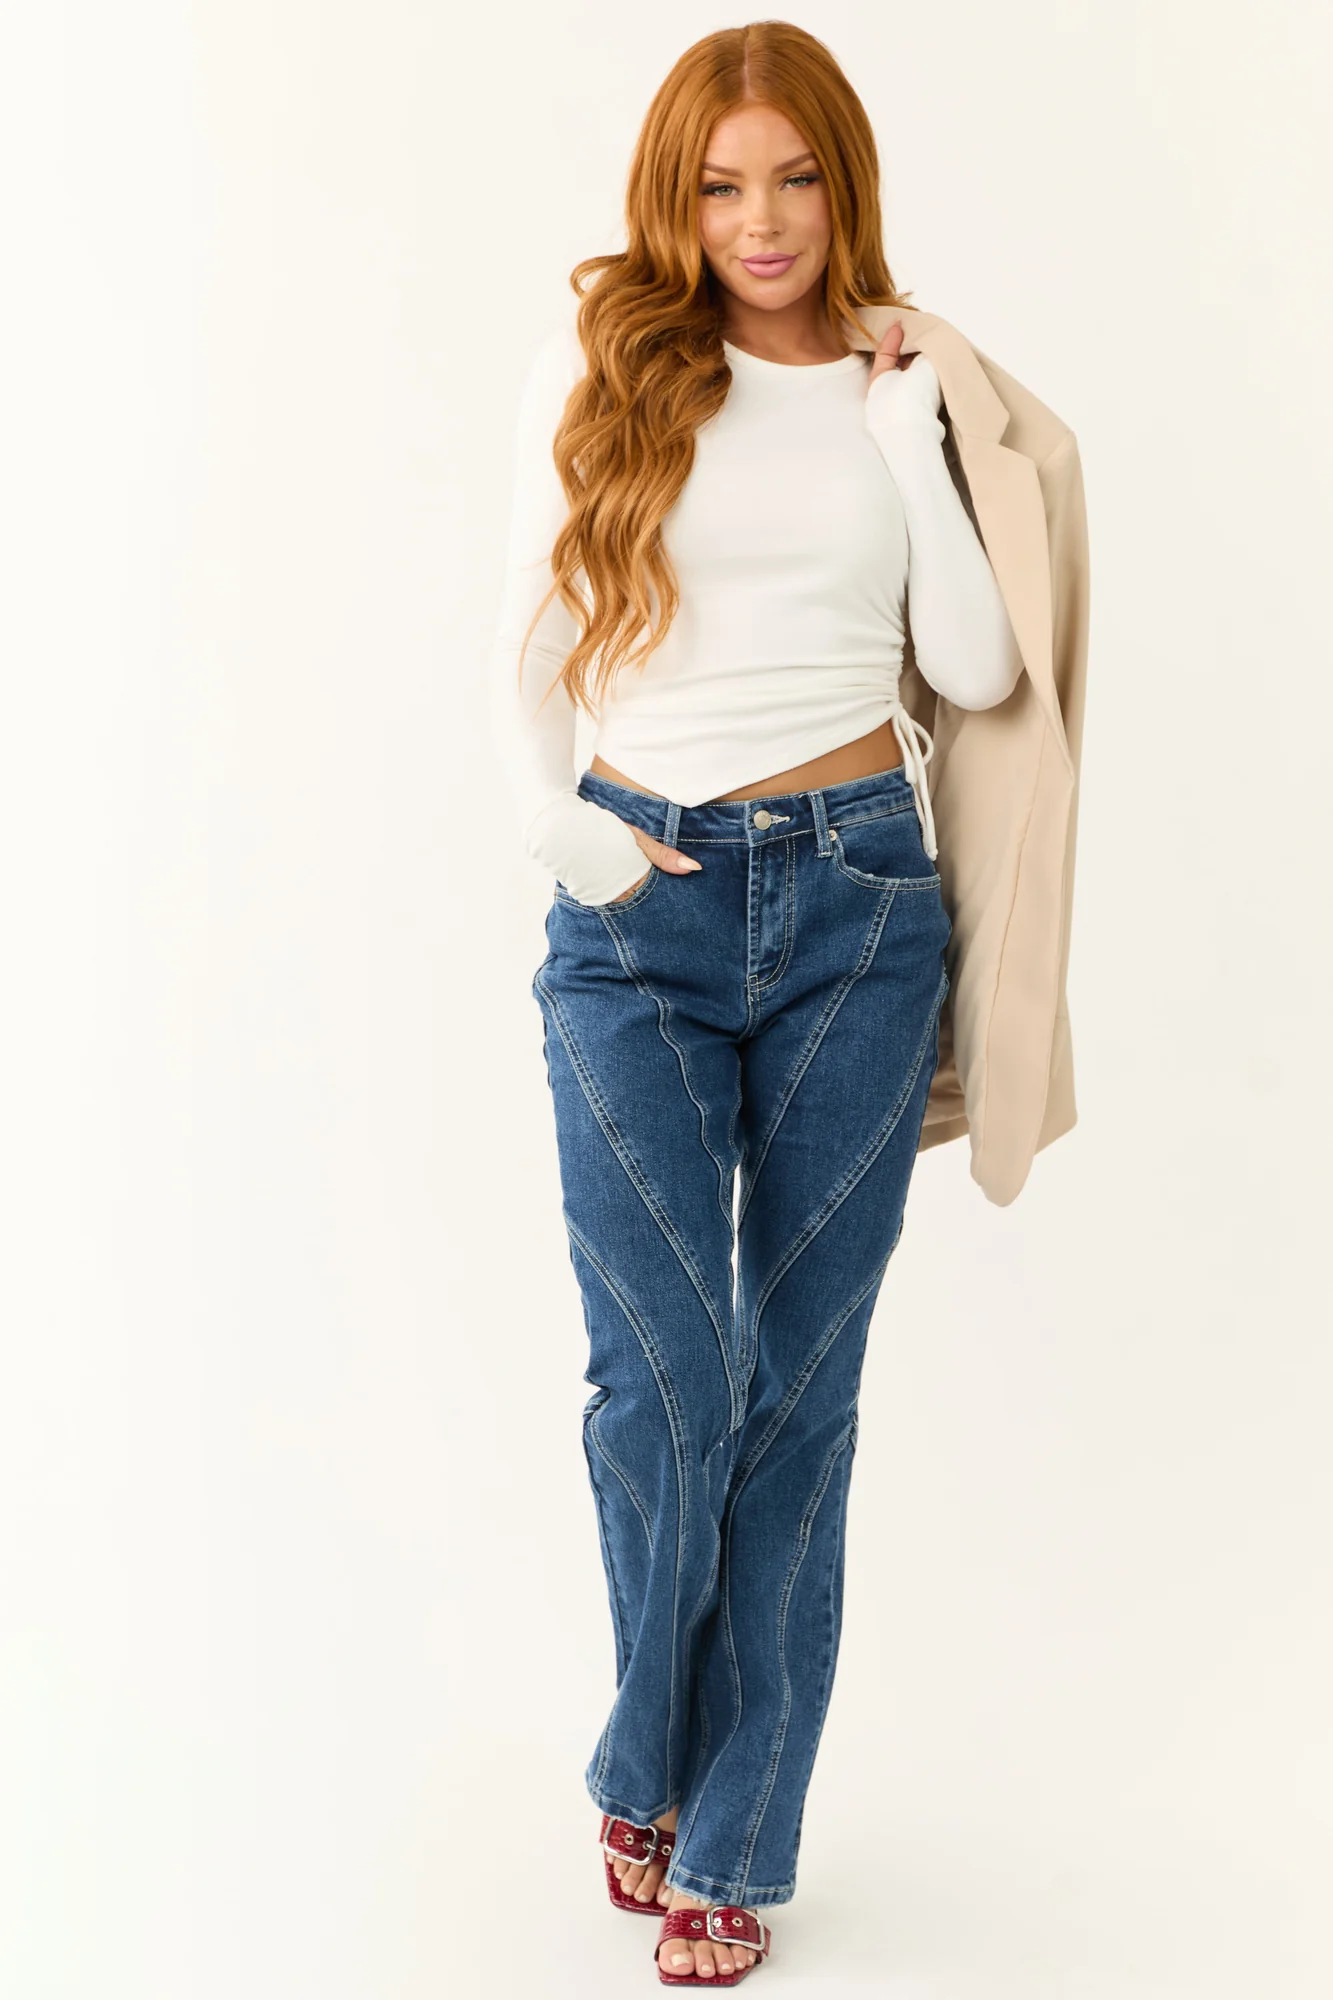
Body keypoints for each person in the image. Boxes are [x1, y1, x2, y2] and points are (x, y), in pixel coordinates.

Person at [490, 22, 1063, 1985]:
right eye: (723, 183)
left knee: (800, 1391)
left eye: (796, 178)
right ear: (678, 195)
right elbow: (525, 652)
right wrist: (571, 842)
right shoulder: (610, 369)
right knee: (665, 1375)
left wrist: (906, 437)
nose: (761, 219)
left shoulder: (911, 386)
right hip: (637, 908)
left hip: (857, 909)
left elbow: (975, 668)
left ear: (844, 185)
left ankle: (732, 1837)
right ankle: (645, 1753)